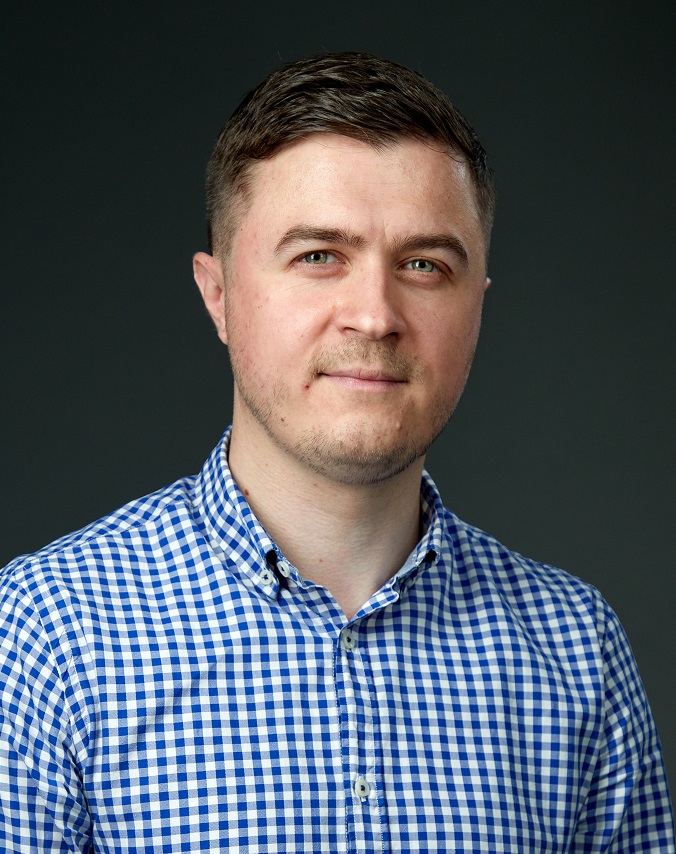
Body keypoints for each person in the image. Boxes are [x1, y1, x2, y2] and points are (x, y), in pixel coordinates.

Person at [0, 52, 672, 853]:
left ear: (478, 306)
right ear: (219, 295)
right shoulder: (47, 636)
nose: (375, 315)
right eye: (319, 256)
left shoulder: (577, 651)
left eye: (424, 265)